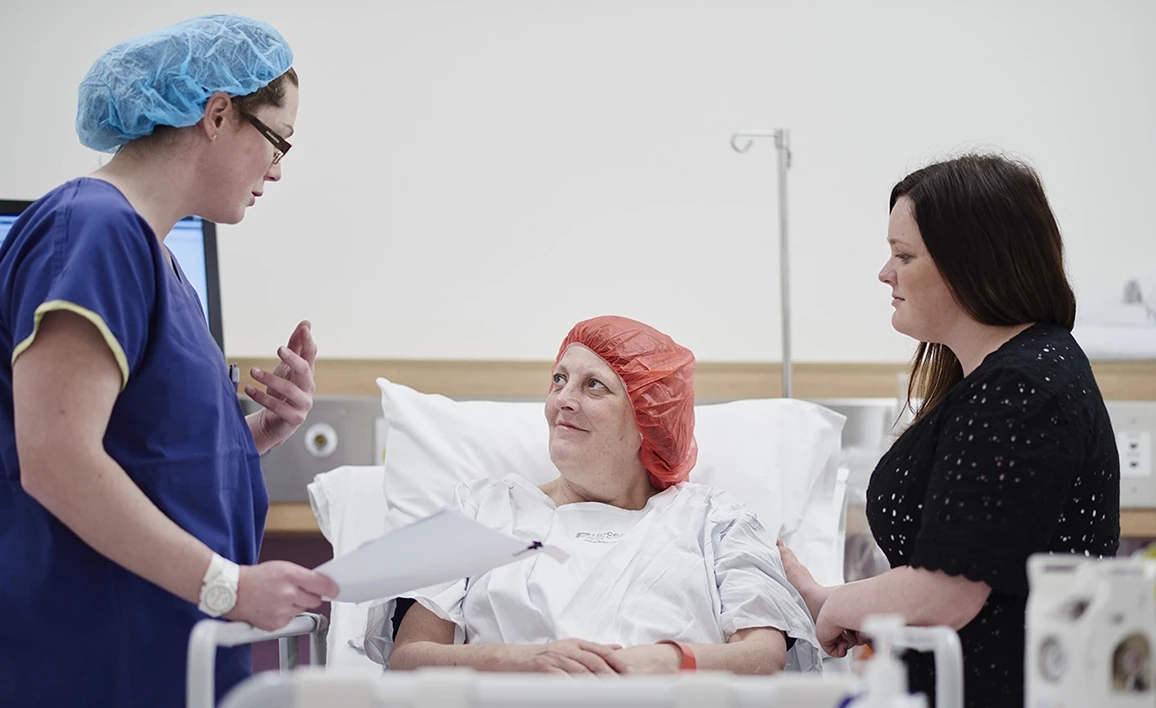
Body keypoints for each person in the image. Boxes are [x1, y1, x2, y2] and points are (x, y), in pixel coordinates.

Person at [0, 15, 339, 708]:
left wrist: (254, 436)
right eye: (278, 141)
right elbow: (56, 459)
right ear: (218, 114)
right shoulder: (93, 228)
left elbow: (149, 460)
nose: (277, 169)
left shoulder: (154, 259)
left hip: (158, 658)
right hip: (92, 663)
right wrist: (232, 587)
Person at [779, 154, 1120, 707]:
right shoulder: (1003, 377)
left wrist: (838, 606)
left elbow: (947, 590)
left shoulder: (1023, 387)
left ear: (970, 263)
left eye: (903, 256)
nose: (885, 273)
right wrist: (842, 603)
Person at [386, 315, 821, 675]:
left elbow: (762, 656)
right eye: (559, 379)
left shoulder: (716, 521)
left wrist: (664, 660)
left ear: (649, 419)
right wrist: (525, 661)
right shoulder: (478, 511)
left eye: (594, 385)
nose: (563, 400)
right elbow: (407, 659)